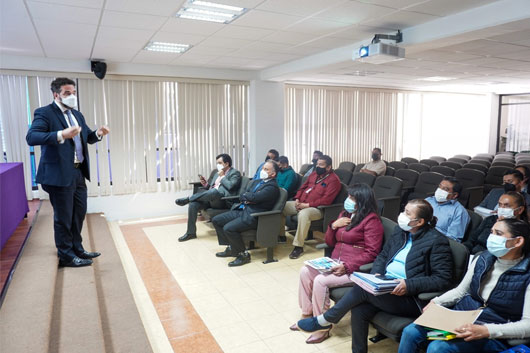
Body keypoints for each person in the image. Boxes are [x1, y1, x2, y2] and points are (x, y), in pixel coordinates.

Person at [296, 199, 454, 352]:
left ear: (419, 222)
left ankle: (326, 319)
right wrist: (376, 274)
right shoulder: (401, 231)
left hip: (410, 297)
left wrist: (409, 285)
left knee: (362, 288)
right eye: (404, 211)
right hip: (386, 285)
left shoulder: (436, 241)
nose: (402, 215)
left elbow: (442, 279)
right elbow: (383, 255)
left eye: (407, 213)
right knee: (359, 310)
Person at [398, 218, 530, 353]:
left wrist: (487, 331)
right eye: (491, 232)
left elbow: (528, 325)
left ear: (518, 241)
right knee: (411, 332)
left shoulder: (527, 274)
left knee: (438, 347)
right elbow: (461, 291)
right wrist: (436, 302)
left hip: (490, 333)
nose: (491, 237)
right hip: (459, 325)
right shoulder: (483, 258)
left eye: (498, 233)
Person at [26, 77, 110, 267]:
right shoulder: (45, 113)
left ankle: (77, 249)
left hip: (78, 172)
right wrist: (61, 134)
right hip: (58, 175)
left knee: (78, 213)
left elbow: (87, 137)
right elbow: (32, 137)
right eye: (67, 93)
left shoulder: (77, 115)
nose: (72, 96)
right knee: (64, 218)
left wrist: (98, 133)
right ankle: (66, 255)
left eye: (73, 93)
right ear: (56, 94)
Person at [290, 184, 384, 344]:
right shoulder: (344, 214)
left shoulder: (371, 220)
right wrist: (334, 226)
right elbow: (329, 241)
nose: (348, 200)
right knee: (305, 271)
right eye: (348, 196)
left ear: (362, 201)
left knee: (321, 281)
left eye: (352, 198)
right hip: (334, 261)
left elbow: (372, 253)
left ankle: (322, 326)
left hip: (354, 268)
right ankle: (307, 314)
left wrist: (347, 266)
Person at [211, 161, 280, 266]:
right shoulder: (258, 182)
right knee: (217, 220)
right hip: (243, 209)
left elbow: (254, 197)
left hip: (254, 216)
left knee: (228, 228)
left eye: (266, 169)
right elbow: (243, 193)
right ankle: (231, 247)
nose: (263, 171)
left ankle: (243, 255)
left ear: (273, 174)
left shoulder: (272, 187)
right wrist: (248, 197)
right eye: (263, 168)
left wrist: (249, 197)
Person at [280, 155, 341, 259]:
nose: (318, 166)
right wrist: (297, 199)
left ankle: (298, 246)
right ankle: (281, 236)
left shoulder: (334, 180)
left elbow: (326, 200)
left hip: (318, 209)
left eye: (321, 165)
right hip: (302, 203)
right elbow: (302, 188)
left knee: (304, 214)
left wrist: (307, 205)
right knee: (281, 206)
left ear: (328, 167)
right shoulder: (313, 174)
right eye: (317, 164)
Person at [175, 154, 241, 242]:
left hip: (223, 201)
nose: (218, 165)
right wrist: (206, 184)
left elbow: (230, 186)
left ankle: (188, 199)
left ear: (227, 163)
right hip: (211, 198)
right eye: (217, 163)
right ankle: (191, 233)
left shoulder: (235, 173)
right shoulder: (217, 173)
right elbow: (211, 187)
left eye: (220, 163)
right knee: (193, 204)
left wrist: (222, 176)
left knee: (215, 192)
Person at [425, 177, 470, 242]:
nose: (440, 190)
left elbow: (453, 239)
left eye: (445, 189)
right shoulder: (429, 200)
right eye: (439, 187)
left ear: (454, 195)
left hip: (434, 241)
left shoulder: (459, 212)